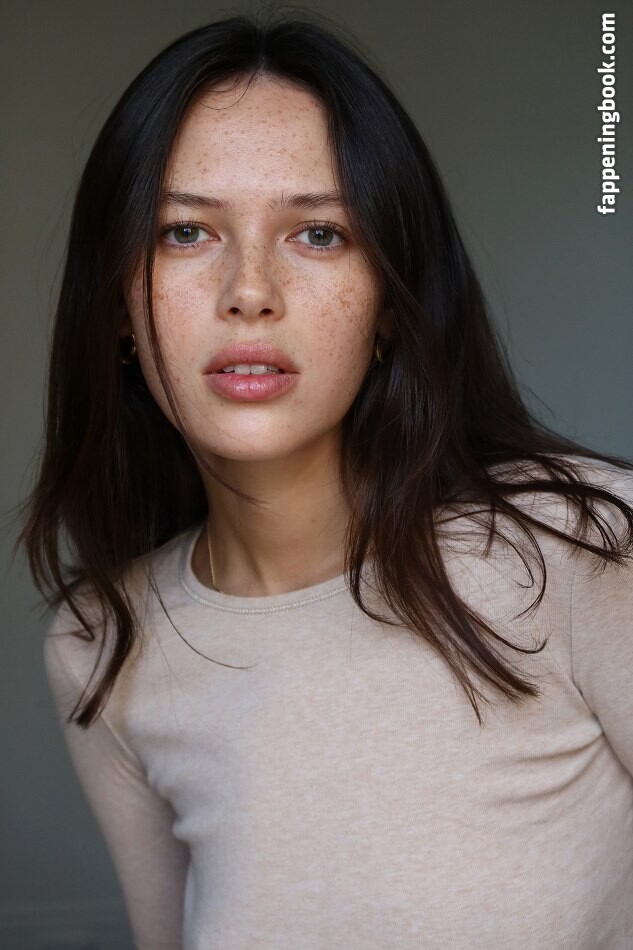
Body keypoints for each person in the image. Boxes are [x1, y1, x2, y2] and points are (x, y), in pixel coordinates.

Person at [18, 9, 633, 949]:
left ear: (389, 301)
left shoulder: (581, 550)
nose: (248, 291)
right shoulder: (103, 643)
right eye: (185, 232)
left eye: (316, 233)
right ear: (115, 306)